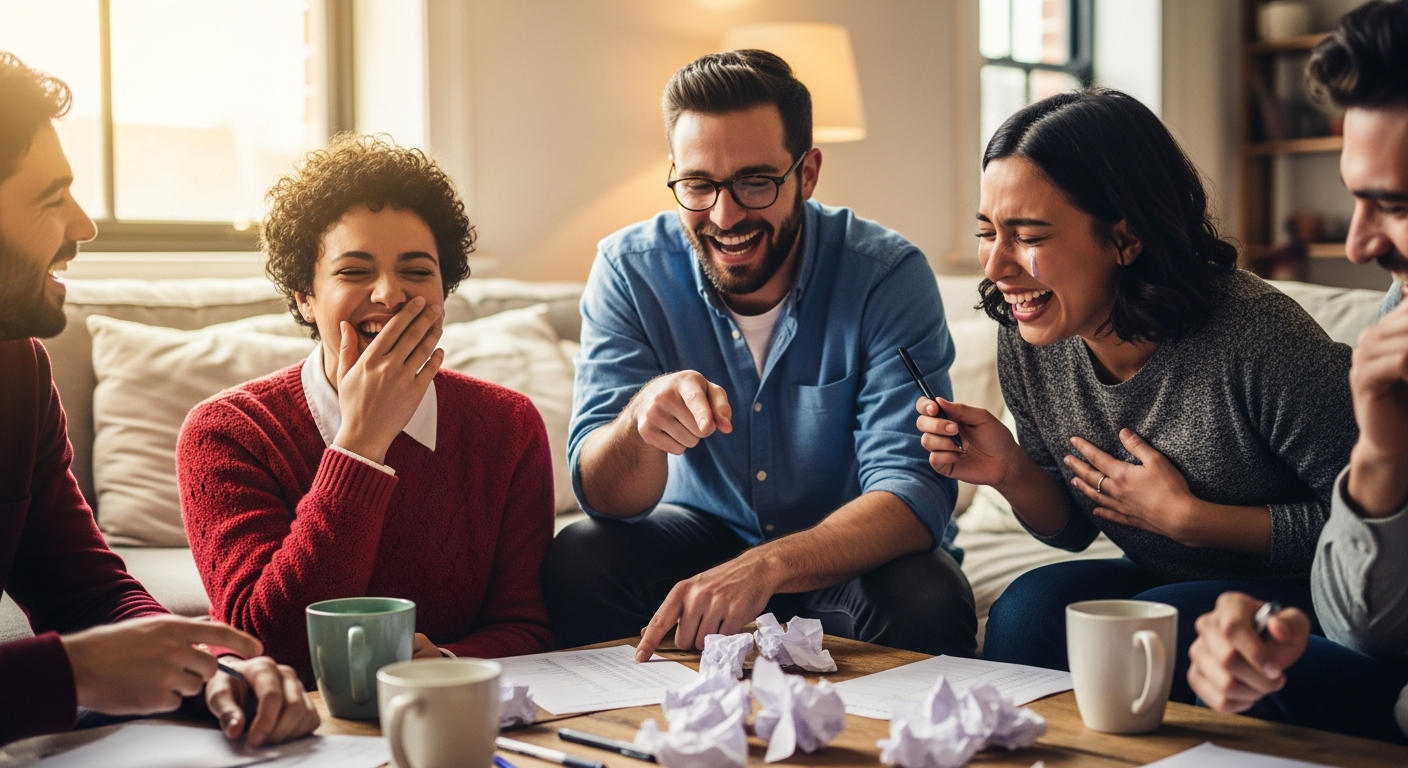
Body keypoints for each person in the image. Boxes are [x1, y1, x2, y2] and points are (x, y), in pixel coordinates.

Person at [916, 88, 1356, 703]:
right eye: (988, 232)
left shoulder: (1259, 338)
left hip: (1304, 592)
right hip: (1162, 578)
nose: (995, 266)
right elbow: (1072, 530)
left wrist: (1194, 521)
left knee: (1157, 625)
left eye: (1028, 236)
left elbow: (1375, 533)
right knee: (1026, 612)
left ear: (1126, 238)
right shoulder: (1031, 337)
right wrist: (1011, 470)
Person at [544, 49, 978, 659]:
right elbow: (603, 495)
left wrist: (766, 567)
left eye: (756, 182)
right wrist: (639, 422)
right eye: (699, 185)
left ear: (808, 173)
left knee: (930, 599)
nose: (725, 216)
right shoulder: (629, 270)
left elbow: (912, 493)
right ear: (675, 175)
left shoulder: (886, 275)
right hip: (699, 532)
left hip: (844, 550)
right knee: (578, 558)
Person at [0, 52, 317, 746]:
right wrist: (73, 673)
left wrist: (214, 670)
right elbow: (82, 658)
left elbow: (86, 591)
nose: (83, 226)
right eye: (51, 200)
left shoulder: (17, 371)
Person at [177, 135, 555, 684]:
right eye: (354, 272)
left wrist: (447, 664)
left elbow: (527, 625)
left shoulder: (508, 425)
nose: (389, 294)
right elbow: (266, 643)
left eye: (417, 271)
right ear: (305, 296)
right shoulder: (228, 432)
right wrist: (360, 445)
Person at [1187, 0, 1408, 743]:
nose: (1358, 246)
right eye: (1357, 201)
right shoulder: (1396, 320)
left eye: (1395, 205)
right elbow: (1358, 628)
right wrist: (1380, 459)